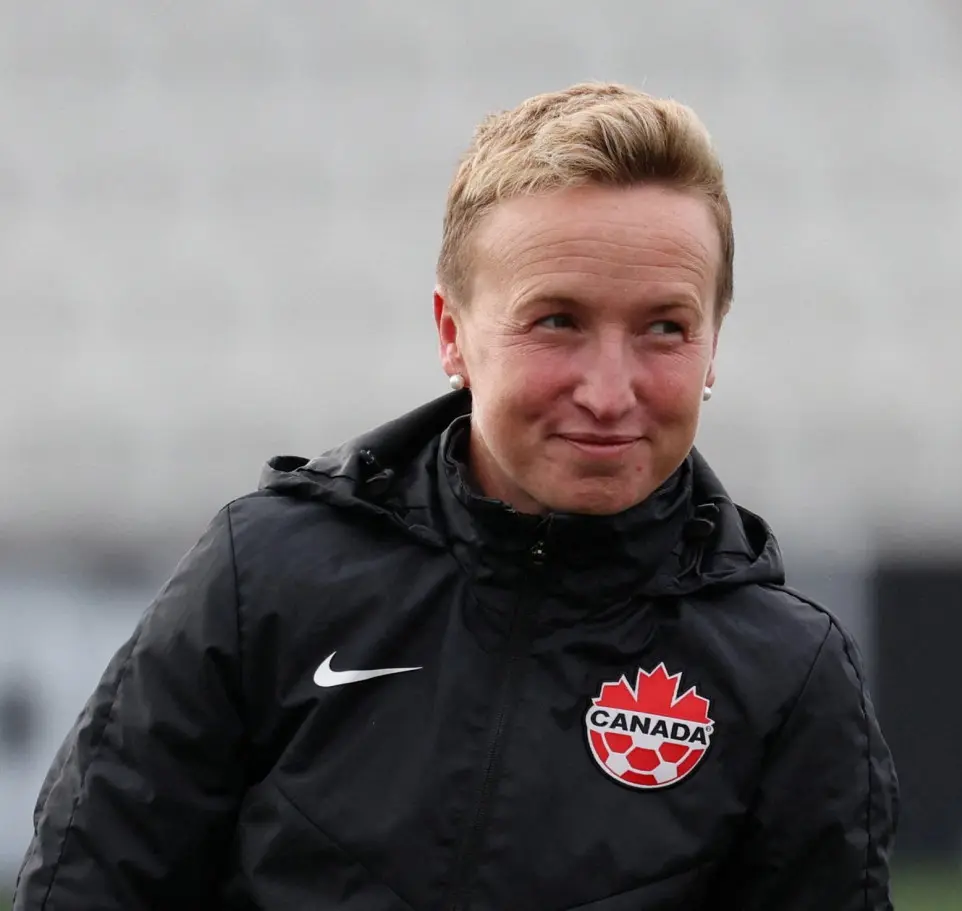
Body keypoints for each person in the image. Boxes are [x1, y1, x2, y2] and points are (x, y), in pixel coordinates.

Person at [14, 82, 898, 910]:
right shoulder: (269, 574)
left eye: (664, 328)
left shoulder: (787, 675)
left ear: (713, 350)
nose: (608, 388)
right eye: (558, 321)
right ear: (452, 334)